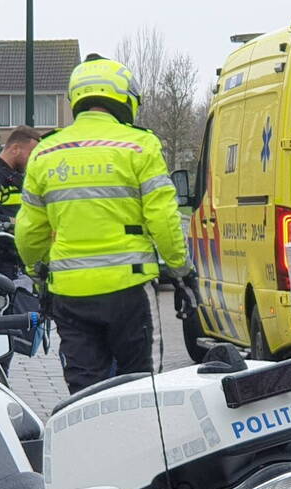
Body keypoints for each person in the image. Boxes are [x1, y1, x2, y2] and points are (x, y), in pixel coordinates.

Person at [15, 53, 194, 394]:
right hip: (129, 291)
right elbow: (164, 219)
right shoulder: (140, 145)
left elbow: (28, 232)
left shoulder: (46, 152)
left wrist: (36, 270)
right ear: (123, 98)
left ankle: (94, 445)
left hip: (70, 294)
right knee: (141, 389)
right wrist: (182, 269)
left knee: (84, 392)